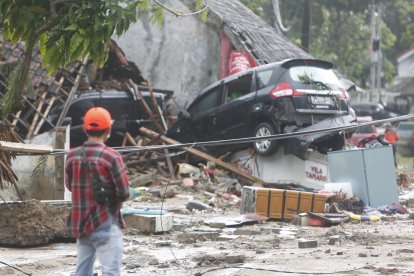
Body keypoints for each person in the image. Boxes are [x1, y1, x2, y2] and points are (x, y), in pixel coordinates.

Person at [65, 107, 130, 276]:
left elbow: (69, 186)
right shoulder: (112, 156)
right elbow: (124, 192)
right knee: (110, 272)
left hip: (81, 224)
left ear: (85, 129)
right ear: (108, 130)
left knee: (82, 271)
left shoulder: (71, 156)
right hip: (104, 222)